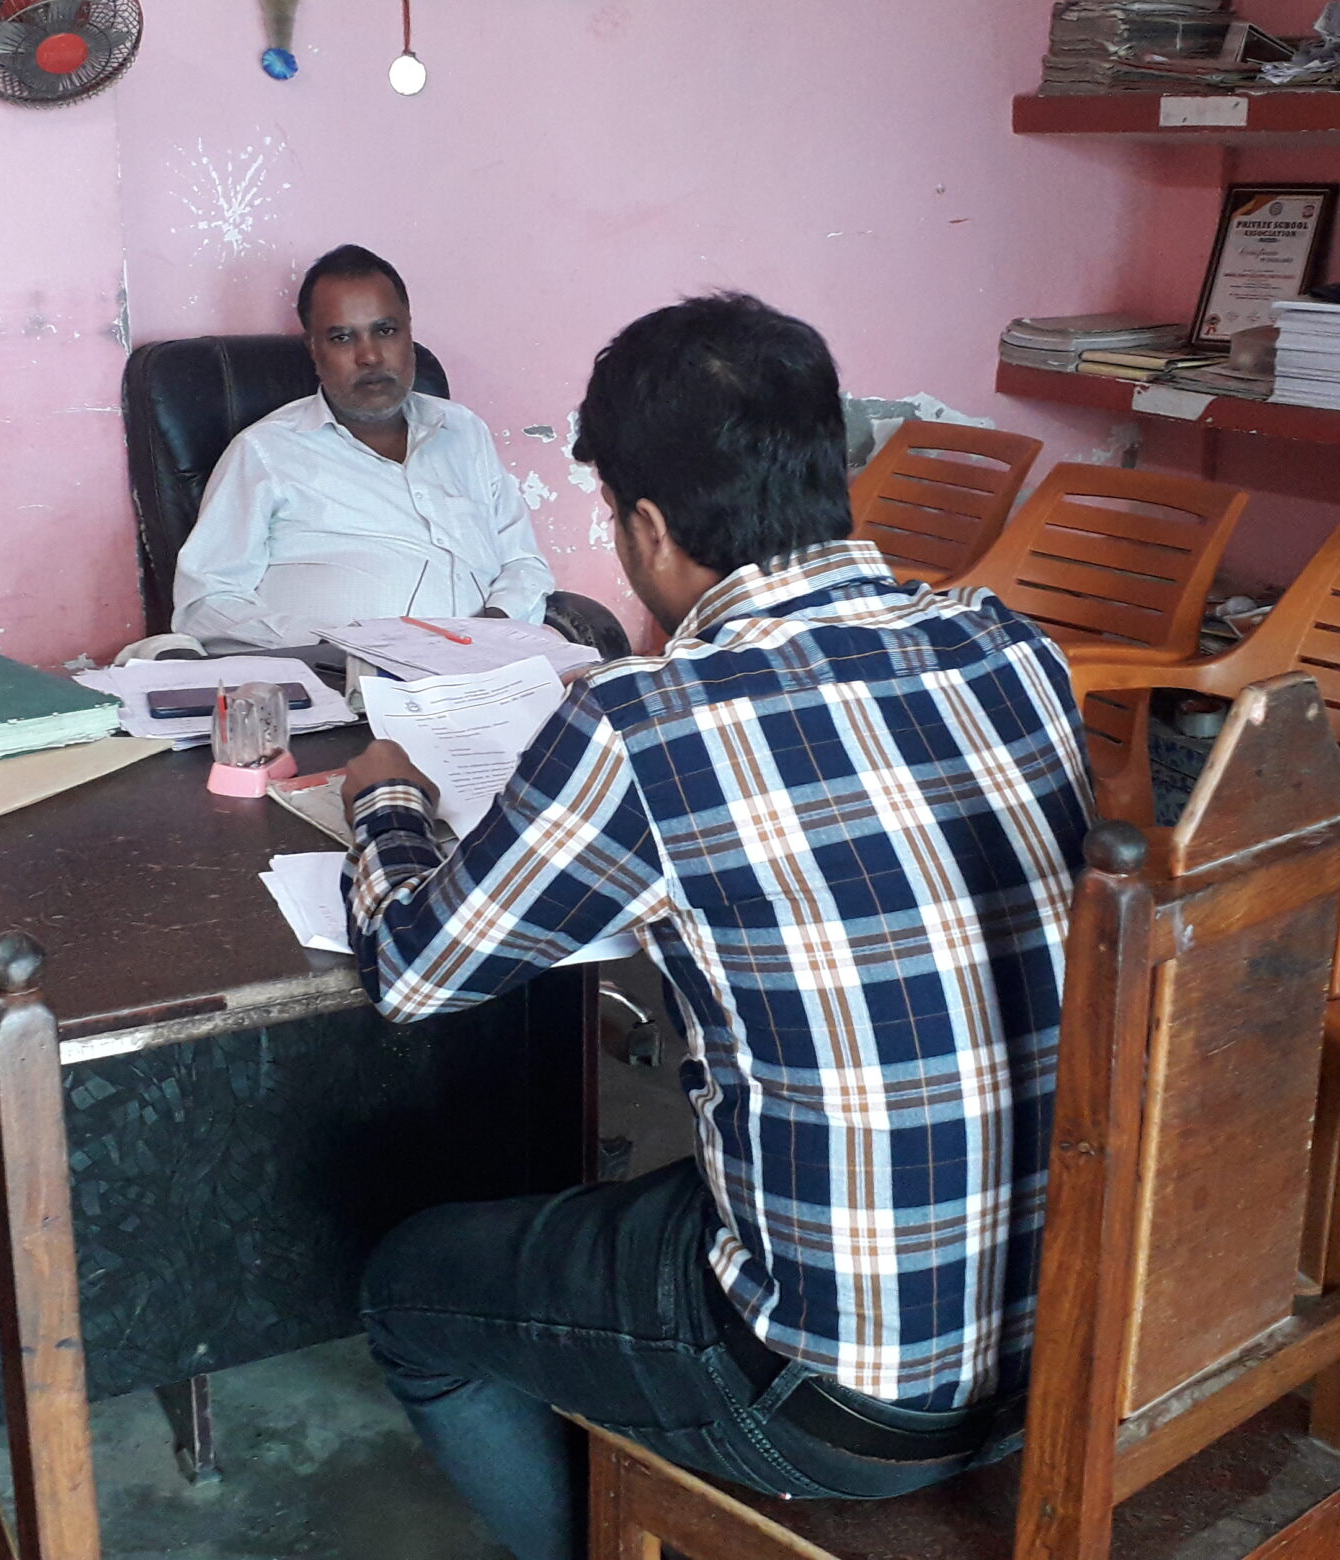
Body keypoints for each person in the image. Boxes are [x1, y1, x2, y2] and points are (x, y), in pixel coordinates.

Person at [339, 294, 1094, 1560]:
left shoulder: (645, 724)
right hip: (1068, 1323)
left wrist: (389, 803)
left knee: (409, 1287)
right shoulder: (1013, 652)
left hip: (833, 1397)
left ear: (644, 526)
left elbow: (413, 972)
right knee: (647, 1196)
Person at [170, 245, 554, 651]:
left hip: (490, 666)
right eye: (342, 337)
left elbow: (523, 562)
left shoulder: (463, 431)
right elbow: (206, 604)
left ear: (409, 332)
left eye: (385, 331)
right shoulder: (265, 453)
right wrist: (343, 645)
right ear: (314, 349)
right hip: (341, 677)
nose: (369, 356)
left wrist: (492, 633)